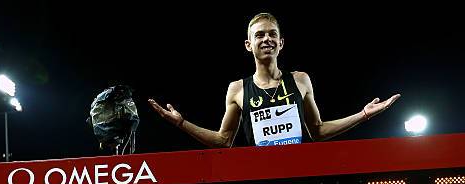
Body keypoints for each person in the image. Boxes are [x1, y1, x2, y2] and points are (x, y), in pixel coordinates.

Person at [149, 13, 400, 148]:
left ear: (281, 43)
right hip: (260, 176)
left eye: (272, 34)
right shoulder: (237, 89)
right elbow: (223, 140)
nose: (266, 39)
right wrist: (182, 123)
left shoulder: (300, 80)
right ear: (249, 45)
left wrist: (363, 115)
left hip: (298, 173)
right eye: (259, 35)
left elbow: (318, 131)